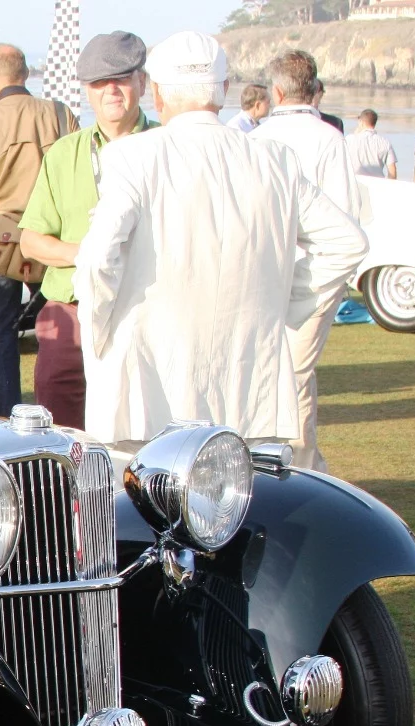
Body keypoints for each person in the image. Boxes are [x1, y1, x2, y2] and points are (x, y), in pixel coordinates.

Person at [73, 31, 368, 447]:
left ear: (156, 93)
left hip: (148, 382)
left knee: (138, 503)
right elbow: (346, 242)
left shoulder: (132, 155)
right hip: (247, 381)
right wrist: (283, 301)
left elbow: (98, 260)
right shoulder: (274, 160)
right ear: (224, 90)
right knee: (239, 504)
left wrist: (99, 333)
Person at [19, 31, 154, 430]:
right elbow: (30, 239)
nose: (111, 90)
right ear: (87, 91)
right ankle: (66, 495)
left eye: (122, 79)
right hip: (73, 308)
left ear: (142, 82)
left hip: (145, 307)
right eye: (99, 82)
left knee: (142, 426)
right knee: (60, 429)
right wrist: (90, 253)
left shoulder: (167, 145)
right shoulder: (64, 154)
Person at [254, 49, 365, 472]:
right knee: (297, 376)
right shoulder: (329, 139)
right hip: (315, 271)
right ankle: (300, 467)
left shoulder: (254, 138)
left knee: (279, 374)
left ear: (276, 91)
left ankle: (298, 464)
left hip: (267, 271)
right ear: (314, 90)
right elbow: (346, 212)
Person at [0, 43, 78, 416]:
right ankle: (66, 404)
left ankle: (11, 412)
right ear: (26, 73)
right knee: (67, 326)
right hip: (55, 239)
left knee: (3, 332)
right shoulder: (58, 115)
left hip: (0, 245)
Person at [347, 110, 397, 179]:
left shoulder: (350, 139)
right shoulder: (385, 142)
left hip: (356, 183)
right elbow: (392, 171)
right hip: (377, 185)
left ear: (361, 122)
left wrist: (356, 133)